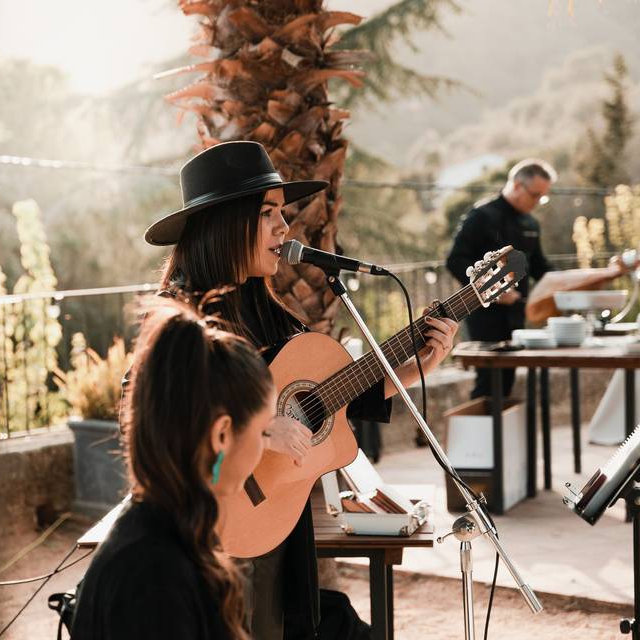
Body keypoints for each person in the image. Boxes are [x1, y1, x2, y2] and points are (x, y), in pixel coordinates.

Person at [142, 140, 459, 639]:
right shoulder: (177, 315)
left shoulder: (267, 309)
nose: (284, 228)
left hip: (274, 524)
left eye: (282, 214)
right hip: (204, 534)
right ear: (227, 224)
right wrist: (260, 431)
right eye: (268, 213)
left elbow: (328, 399)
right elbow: (153, 419)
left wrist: (414, 366)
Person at [71, 299, 280, 639]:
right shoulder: (154, 576)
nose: (263, 447)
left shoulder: (168, 531)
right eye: (264, 431)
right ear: (221, 433)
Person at [446, 159, 558, 399]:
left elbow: (540, 267)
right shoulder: (481, 216)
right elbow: (455, 261)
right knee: (488, 383)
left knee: (507, 380)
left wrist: (572, 283)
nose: (538, 202)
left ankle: (499, 435)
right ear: (517, 185)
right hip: (484, 315)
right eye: (535, 195)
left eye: (543, 197)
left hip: (517, 314)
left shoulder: (531, 223)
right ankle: (482, 435)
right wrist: (493, 290)